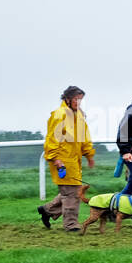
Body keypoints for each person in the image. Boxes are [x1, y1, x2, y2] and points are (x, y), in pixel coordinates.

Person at [37, 85, 96, 231]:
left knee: (72, 191)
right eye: (76, 99)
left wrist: (89, 154)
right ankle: (70, 225)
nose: (79, 103)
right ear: (68, 99)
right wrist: (55, 159)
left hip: (74, 161)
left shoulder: (79, 115)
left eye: (80, 100)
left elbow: (84, 137)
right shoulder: (59, 115)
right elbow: (52, 139)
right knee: (72, 194)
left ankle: (47, 210)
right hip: (62, 160)